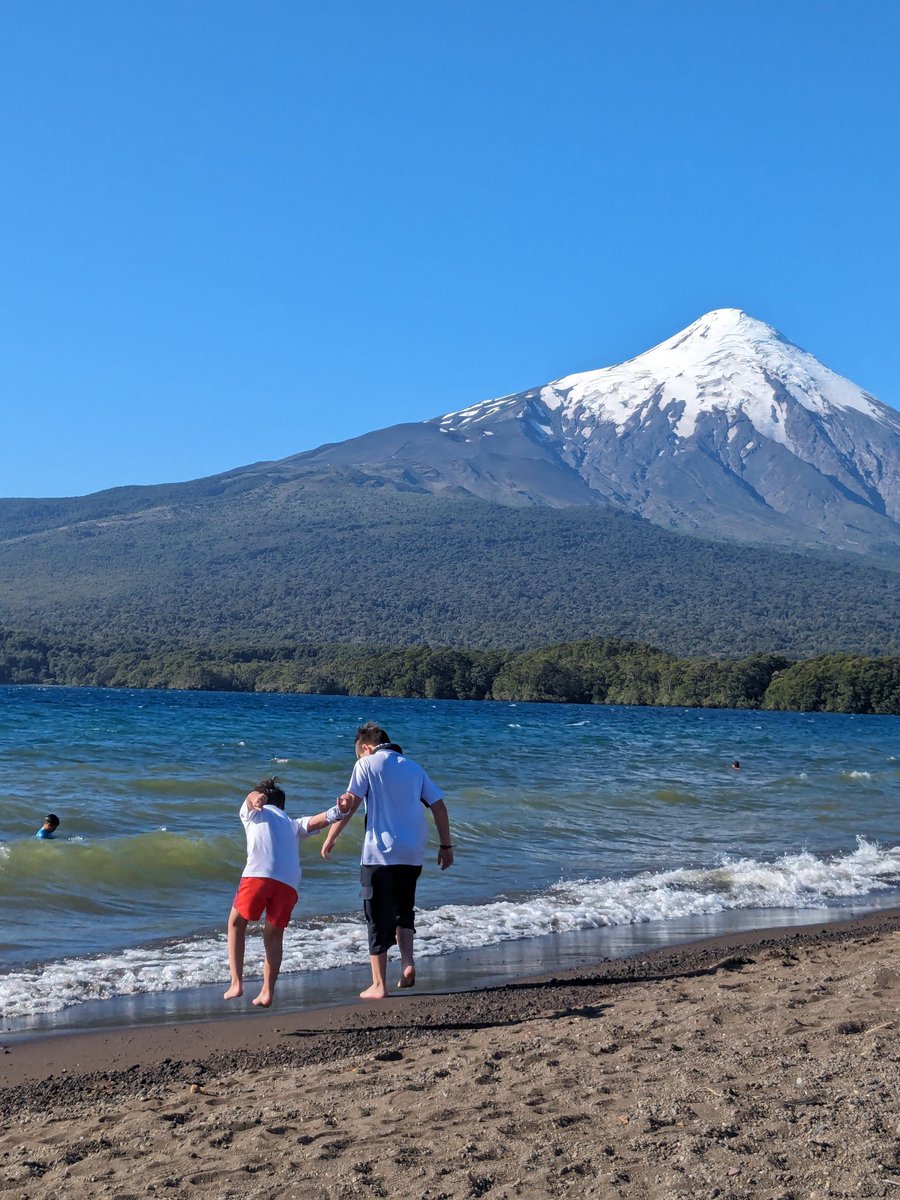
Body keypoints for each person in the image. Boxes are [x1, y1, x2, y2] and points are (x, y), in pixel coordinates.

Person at [321, 722, 454, 1000]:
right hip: (412, 853)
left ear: (366, 748)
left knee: (376, 916)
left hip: (379, 855)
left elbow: (351, 803)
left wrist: (331, 836)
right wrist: (445, 845)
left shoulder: (367, 764)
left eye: (360, 754)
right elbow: (438, 805)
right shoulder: (413, 767)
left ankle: (379, 984)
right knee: (403, 909)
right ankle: (407, 964)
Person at [225, 777, 347, 1008]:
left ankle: (236, 982)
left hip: (258, 876)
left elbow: (250, 800)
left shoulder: (255, 813)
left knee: (235, 923)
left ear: (265, 800)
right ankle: (267, 991)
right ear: (282, 806)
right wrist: (337, 811)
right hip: (289, 884)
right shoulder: (293, 823)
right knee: (273, 934)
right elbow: (319, 821)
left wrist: (255, 797)